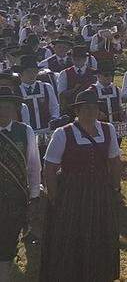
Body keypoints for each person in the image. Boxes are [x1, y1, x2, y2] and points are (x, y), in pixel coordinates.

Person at [40, 88, 122, 282]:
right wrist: (55, 197)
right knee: (73, 235)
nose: (90, 112)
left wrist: (115, 187)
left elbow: (115, 161)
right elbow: (49, 168)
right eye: (85, 108)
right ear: (77, 111)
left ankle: (100, 274)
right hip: (73, 192)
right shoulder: (63, 133)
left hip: (101, 190)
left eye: (94, 108)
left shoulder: (108, 129)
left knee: (102, 233)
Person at [0, 85, 40, 281]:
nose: (3, 111)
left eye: (7, 107)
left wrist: (34, 196)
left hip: (16, 199)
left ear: (15, 109)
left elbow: (33, 166)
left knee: (7, 245)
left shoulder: (25, 131)